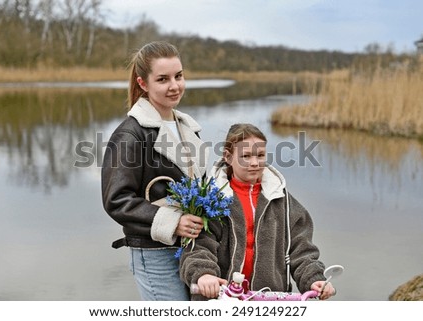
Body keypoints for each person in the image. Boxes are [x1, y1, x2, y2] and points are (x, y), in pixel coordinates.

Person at [179, 123, 336, 300]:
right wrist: (203, 274)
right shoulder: (210, 200)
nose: (255, 163)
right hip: (221, 299)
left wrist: (314, 279)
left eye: (260, 155)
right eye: (245, 156)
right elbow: (199, 246)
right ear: (228, 157)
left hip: (270, 300)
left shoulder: (283, 201)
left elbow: (302, 251)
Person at [101, 41, 207, 301]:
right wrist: (174, 222)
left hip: (195, 251)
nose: (174, 86)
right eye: (163, 79)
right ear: (143, 83)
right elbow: (116, 199)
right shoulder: (131, 133)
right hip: (154, 252)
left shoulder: (186, 127)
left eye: (178, 76)